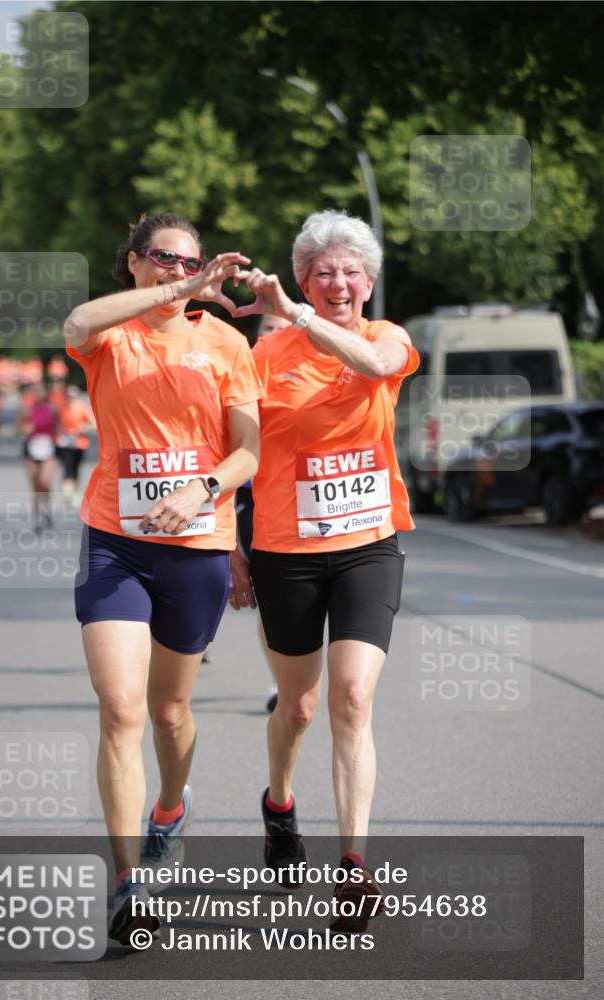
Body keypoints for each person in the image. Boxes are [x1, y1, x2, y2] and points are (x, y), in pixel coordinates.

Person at [63, 212, 262, 947]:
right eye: (163, 258)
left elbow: (248, 452)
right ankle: (128, 885)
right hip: (115, 541)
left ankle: (170, 808)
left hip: (196, 543)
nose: (178, 270)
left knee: (169, 712)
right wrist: (174, 292)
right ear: (134, 262)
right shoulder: (110, 334)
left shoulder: (225, 342)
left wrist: (202, 488)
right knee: (121, 710)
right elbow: (77, 320)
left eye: (189, 262)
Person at [229, 210, 419, 934]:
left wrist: (297, 314)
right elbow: (236, 453)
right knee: (299, 706)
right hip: (285, 549)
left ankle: (353, 864)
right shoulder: (263, 356)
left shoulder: (386, 338)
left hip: (369, 543)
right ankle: (279, 804)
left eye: (350, 273)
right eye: (322, 273)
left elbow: (373, 367)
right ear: (304, 280)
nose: (338, 283)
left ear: (367, 284)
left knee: (352, 698)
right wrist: (229, 544)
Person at [235, 314, 288, 712]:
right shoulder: (241, 371)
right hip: (254, 498)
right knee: (271, 598)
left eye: (282, 329)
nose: (273, 335)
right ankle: (278, 680)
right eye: (268, 328)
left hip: (300, 499)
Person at [15, 380, 58, 531]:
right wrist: (24, 429)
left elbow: (59, 427)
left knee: (45, 482)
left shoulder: (53, 408)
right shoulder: (27, 409)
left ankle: (46, 506)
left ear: (46, 392)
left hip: (48, 449)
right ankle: (36, 519)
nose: (39, 394)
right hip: (31, 450)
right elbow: (17, 429)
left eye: (41, 390)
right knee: (35, 486)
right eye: (36, 391)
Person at [55, 384, 95, 505]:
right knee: (67, 469)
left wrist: (82, 429)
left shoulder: (82, 407)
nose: (71, 398)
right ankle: (68, 495)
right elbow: (55, 424)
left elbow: (93, 424)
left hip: (79, 444)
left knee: (76, 470)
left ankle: (72, 493)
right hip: (64, 444)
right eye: (68, 395)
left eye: (73, 395)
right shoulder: (61, 408)